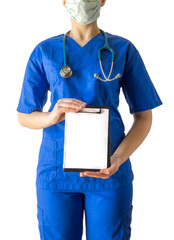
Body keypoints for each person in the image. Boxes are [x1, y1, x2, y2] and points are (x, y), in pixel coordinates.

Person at [16, 0, 163, 239]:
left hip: (110, 171)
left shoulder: (123, 50)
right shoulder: (44, 51)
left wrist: (118, 158)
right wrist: (53, 115)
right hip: (56, 175)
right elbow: (24, 116)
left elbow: (144, 117)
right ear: (64, 1)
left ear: (103, 0)